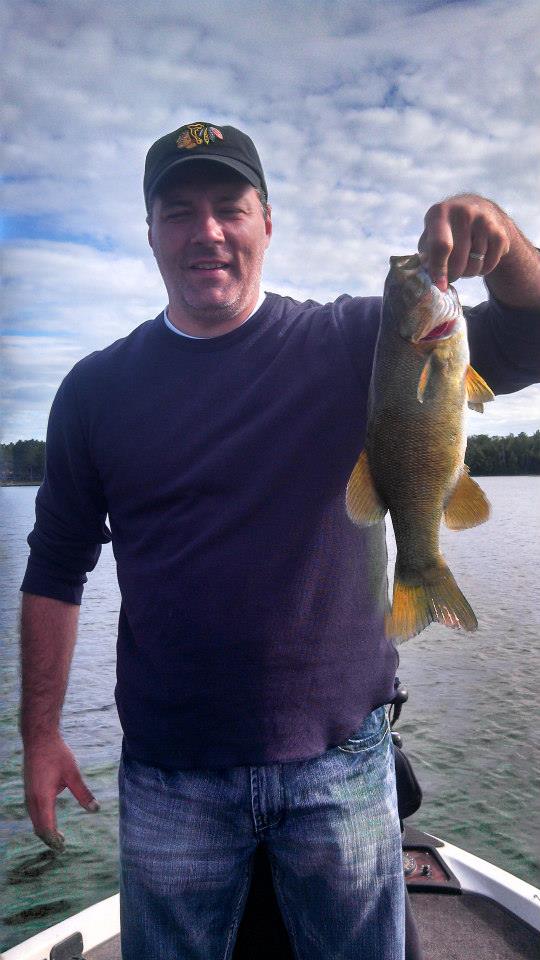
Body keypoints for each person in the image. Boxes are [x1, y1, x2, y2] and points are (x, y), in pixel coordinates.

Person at [20, 121, 540, 960]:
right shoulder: (93, 392)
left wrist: (507, 240)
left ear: (268, 222)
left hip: (342, 760)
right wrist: (40, 736)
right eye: (180, 211)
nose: (209, 232)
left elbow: (532, 332)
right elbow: (54, 568)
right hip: (170, 775)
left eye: (231, 206)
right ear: (150, 232)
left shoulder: (354, 342)